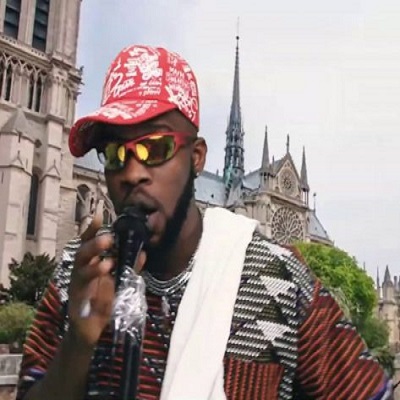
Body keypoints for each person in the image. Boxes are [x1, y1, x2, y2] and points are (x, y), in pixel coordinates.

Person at [17, 45, 393, 400]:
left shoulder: (277, 277)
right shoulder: (76, 272)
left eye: (156, 148)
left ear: (196, 158)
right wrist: (78, 343)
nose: (131, 173)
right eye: (115, 154)